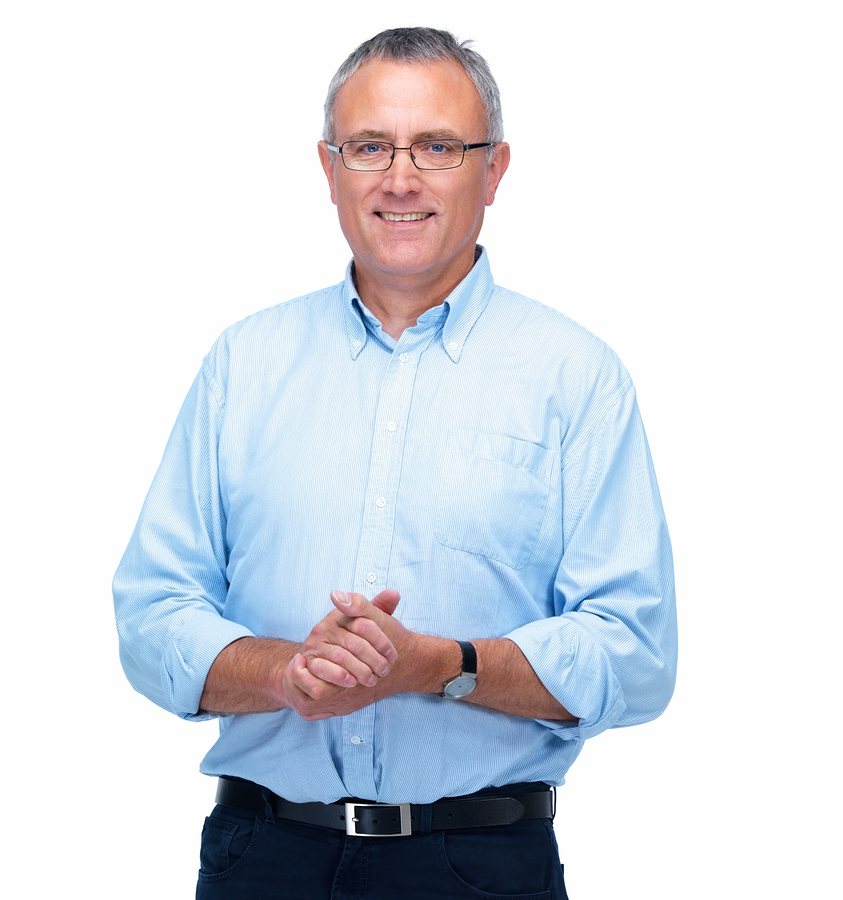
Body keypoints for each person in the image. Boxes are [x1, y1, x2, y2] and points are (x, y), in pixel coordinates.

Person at [114, 26, 677, 899]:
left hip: (479, 866)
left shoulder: (575, 376)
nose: (400, 178)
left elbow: (632, 654)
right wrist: (284, 674)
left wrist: (441, 665)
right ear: (329, 167)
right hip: (263, 858)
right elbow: (153, 614)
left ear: (493, 170)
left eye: (438, 146)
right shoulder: (243, 364)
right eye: (370, 146)